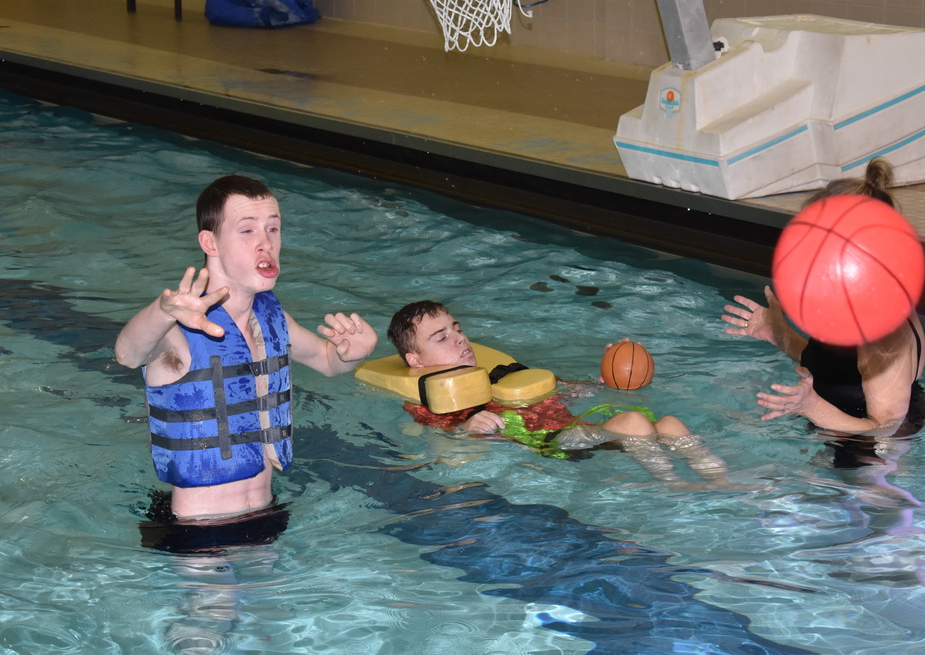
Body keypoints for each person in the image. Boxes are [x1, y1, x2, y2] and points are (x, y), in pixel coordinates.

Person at [115, 175, 378, 523]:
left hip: (267, 511)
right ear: (211, 242)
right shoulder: (179, 325)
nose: (265, 243)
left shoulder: (271, 317)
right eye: (247, 230)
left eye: (273, 229)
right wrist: (161, 311)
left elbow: (328, 360)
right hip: (198, 530)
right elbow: (127, 354)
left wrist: (353, 353)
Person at [386, 301, 737, 490]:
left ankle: (720, 480)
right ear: (416, 361)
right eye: (441, 337)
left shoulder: (504, 372)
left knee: (670, 423)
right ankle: (674, 486)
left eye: (457, 329)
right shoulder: (428, 398)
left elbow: (566, 391)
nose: (459, 338)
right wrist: (467, 426)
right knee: (633, 422)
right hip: (550, 443)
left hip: (580, 433)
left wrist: (606, 382)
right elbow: (441, 438)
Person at [722, 158, 925, 437]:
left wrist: (811, 406)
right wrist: (779, 335)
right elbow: (840, 369)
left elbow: (888, 432)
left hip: (870, 458)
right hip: (834, 427)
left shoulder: (883, 331)